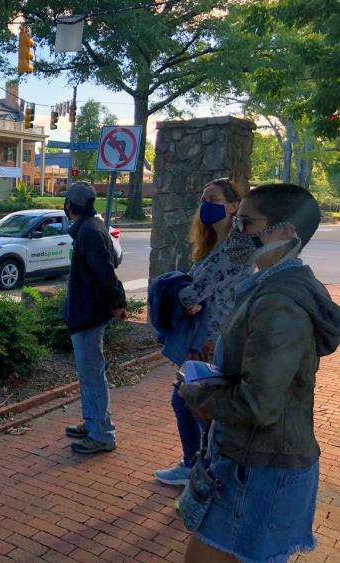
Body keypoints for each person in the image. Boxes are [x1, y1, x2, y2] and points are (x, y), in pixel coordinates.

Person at [178, 183, 340, 563]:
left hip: (262, 472)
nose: (237, 232)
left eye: (246, 223)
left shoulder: (279, 301)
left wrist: (196, 394)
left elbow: (259, 403)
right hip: (250, 462)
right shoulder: (271, 285)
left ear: (285, 232)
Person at [154, 178, 251, 486]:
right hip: (205, 338)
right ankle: (198, 465)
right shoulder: (213, 244)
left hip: (216, 341)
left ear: (234, 206)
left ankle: (202, 469)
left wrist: (186, 297)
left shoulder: (237, 246)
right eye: (203, 199)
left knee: (193, 403)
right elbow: (195, 290)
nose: (206, 205)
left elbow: (194, 292)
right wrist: (189, 296)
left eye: (214, 199)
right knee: (189, 401)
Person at [62, 182, 127, 455]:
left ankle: (102, 433)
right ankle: (92, 423)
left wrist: (118, 302)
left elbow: (106, 272)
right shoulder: (92, 227)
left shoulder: (88, 232)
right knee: (89, 374)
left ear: (70, 206)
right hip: (88, 311)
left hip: (89, 313)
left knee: (92, 374)